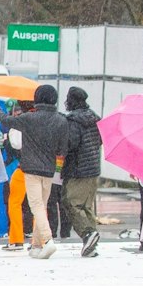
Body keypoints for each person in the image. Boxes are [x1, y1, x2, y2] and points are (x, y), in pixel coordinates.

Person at [0, 84, 70, 259]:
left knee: (35, 205)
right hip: (49, 169)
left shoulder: (29, 118)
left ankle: (48, 240)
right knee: (41, 206)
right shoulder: (61, 120)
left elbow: (5, 121)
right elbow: (62, 149)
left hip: (30, 168)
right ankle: (36, 246)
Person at [61, 87, 102, 256]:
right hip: (93, 167)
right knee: (86, 206)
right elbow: (100, 140)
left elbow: (71, 145)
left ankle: (88, 234)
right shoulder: (95, 117)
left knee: (70, 202)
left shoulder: (74, 121)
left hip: (78, 169)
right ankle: (90, 244)